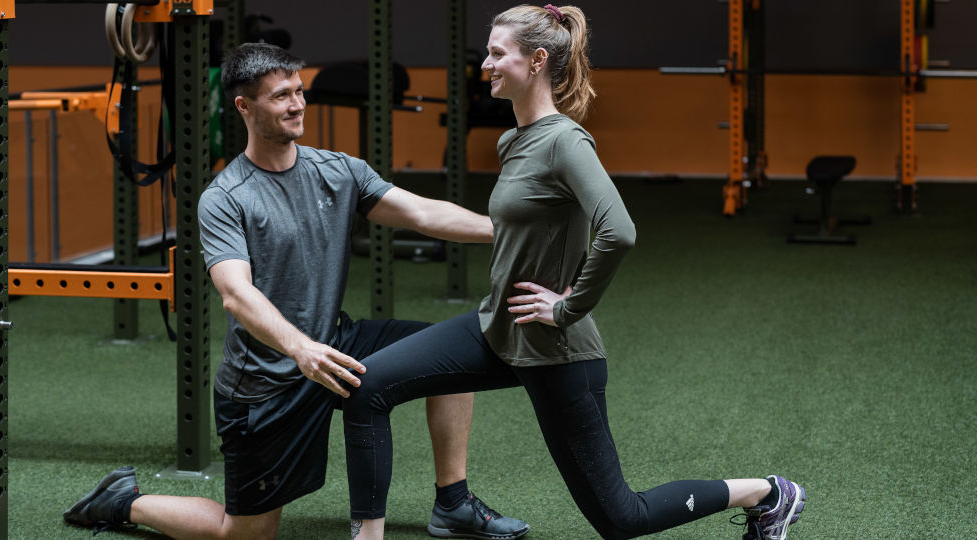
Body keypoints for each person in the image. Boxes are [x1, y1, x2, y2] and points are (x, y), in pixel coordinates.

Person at [341, 5, 806, 540]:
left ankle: (767, 493)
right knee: (369, 384)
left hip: (555, 349)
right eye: (487, 53)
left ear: (537, 61)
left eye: (498, 54)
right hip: (497, 329)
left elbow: (619, 230)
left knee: (621, 518)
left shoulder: (566, 141)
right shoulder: (512, 139)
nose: (486, 65)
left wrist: (567, 306)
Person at [62, 42, 530, 540]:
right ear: (244, 107)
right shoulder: (225, 198)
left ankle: (453, 503)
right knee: (244, 533)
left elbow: (419, 212)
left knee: (450, 360)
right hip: (267, 383)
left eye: (299, 91)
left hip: (332, 342)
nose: (297, 104)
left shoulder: (337, 170)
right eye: (281, 95)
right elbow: (236, 294)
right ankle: (123, 502)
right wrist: (300, 347)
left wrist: (503, 230)